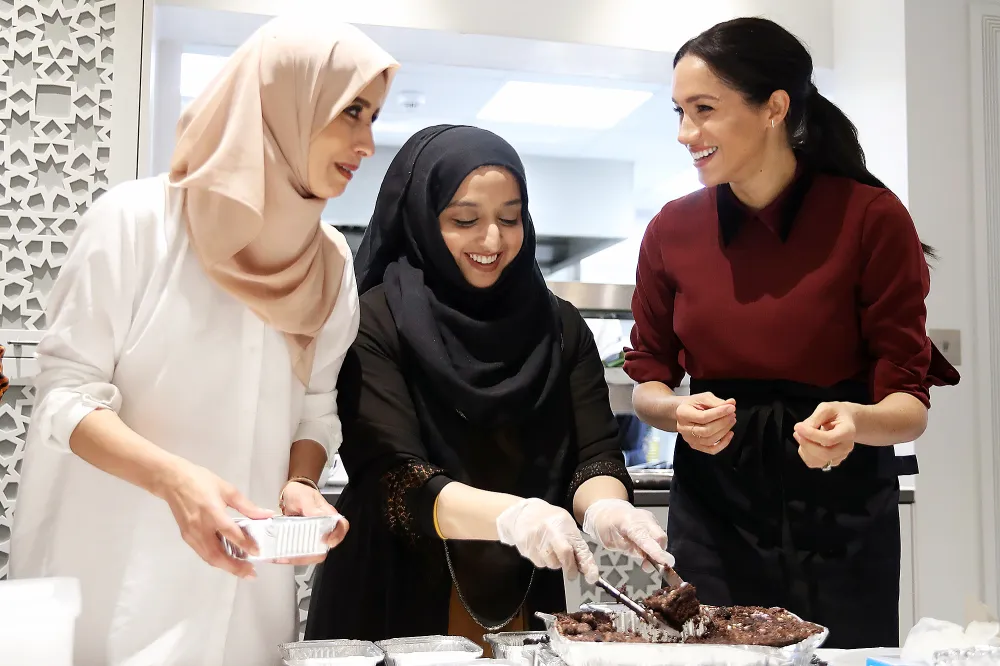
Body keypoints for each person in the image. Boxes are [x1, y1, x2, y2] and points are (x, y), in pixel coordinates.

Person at [10, 16, 397, 665]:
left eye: (373, 118)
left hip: (245, 600)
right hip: (115, 583)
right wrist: (175, 482)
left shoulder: (328, 262)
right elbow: (64, 401)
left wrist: (299, 486)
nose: (366, 142)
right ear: (283, 101)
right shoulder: (137, 223)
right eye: (351, 112)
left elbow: (315, 409)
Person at [624, 17, 960, 649]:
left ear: (774, 107)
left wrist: (858, 423)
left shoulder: (870, 219)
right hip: (713, 503)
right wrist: (673, 410)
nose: (684, 133)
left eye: (704, 110)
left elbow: (908, 404)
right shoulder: (672, 230)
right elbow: (648, 379)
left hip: (840, 498)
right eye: (679, 112)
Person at [305, 125, 672, 649]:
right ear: (423, 222)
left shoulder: (559, 328)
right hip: (392, 592)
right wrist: (515, 516)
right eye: (465, 220)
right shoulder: (375, 321)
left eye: (510, 217)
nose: (493, 240)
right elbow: (398, 480)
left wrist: (607, 508)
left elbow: (595, 457)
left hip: (518, 591)